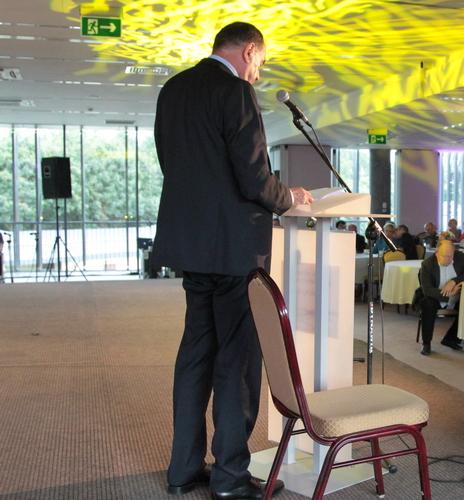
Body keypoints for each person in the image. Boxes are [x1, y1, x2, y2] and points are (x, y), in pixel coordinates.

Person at [152, 22, 314, 499]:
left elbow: (174, 164)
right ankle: (229, 478)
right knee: (237, 362)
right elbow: (254, 178)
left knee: (195, 355)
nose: (258, 73)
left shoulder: (173, 89)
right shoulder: (237, 92)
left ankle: (183, 470)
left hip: (192, 246)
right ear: (249, 51)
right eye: (259, 62)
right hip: (234, 250)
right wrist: (290, 197)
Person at [416, 240, 464, 355]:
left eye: (451, 256)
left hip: (457, 296)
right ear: (437, 253)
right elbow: (427, 290)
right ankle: (426, 343)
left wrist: (454, 281)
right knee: (427, 304)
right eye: (445, 256)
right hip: (436, 296)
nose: (449, 259)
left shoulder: (459, 257)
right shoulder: (427, 264)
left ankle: (451, 339)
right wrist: (449, 294)